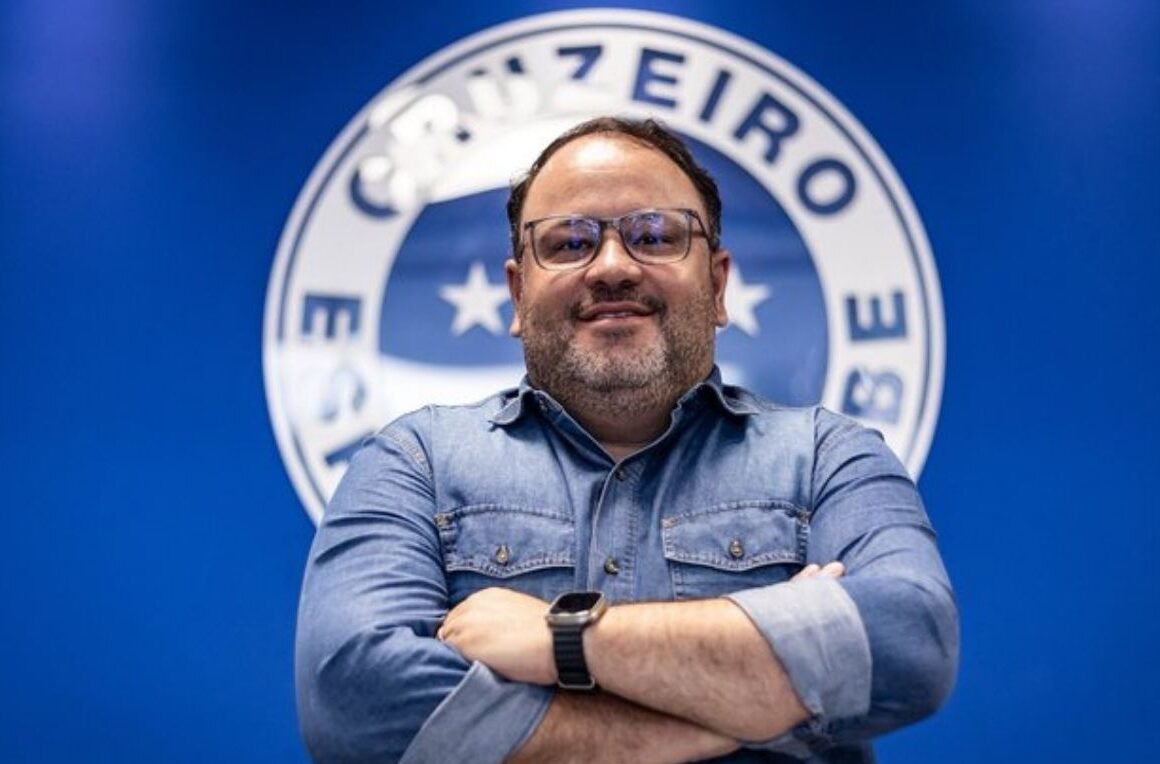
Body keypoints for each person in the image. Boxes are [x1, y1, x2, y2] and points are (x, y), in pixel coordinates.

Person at [295, 116, 959, 763]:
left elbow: (906, 641)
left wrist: (564, 637)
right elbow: (353, 695)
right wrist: (724, 714)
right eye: (568, 243)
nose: (612, 266)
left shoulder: (826, 459)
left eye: (656, 235)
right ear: (517, 294)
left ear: (719, 284)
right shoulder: (415, 462)